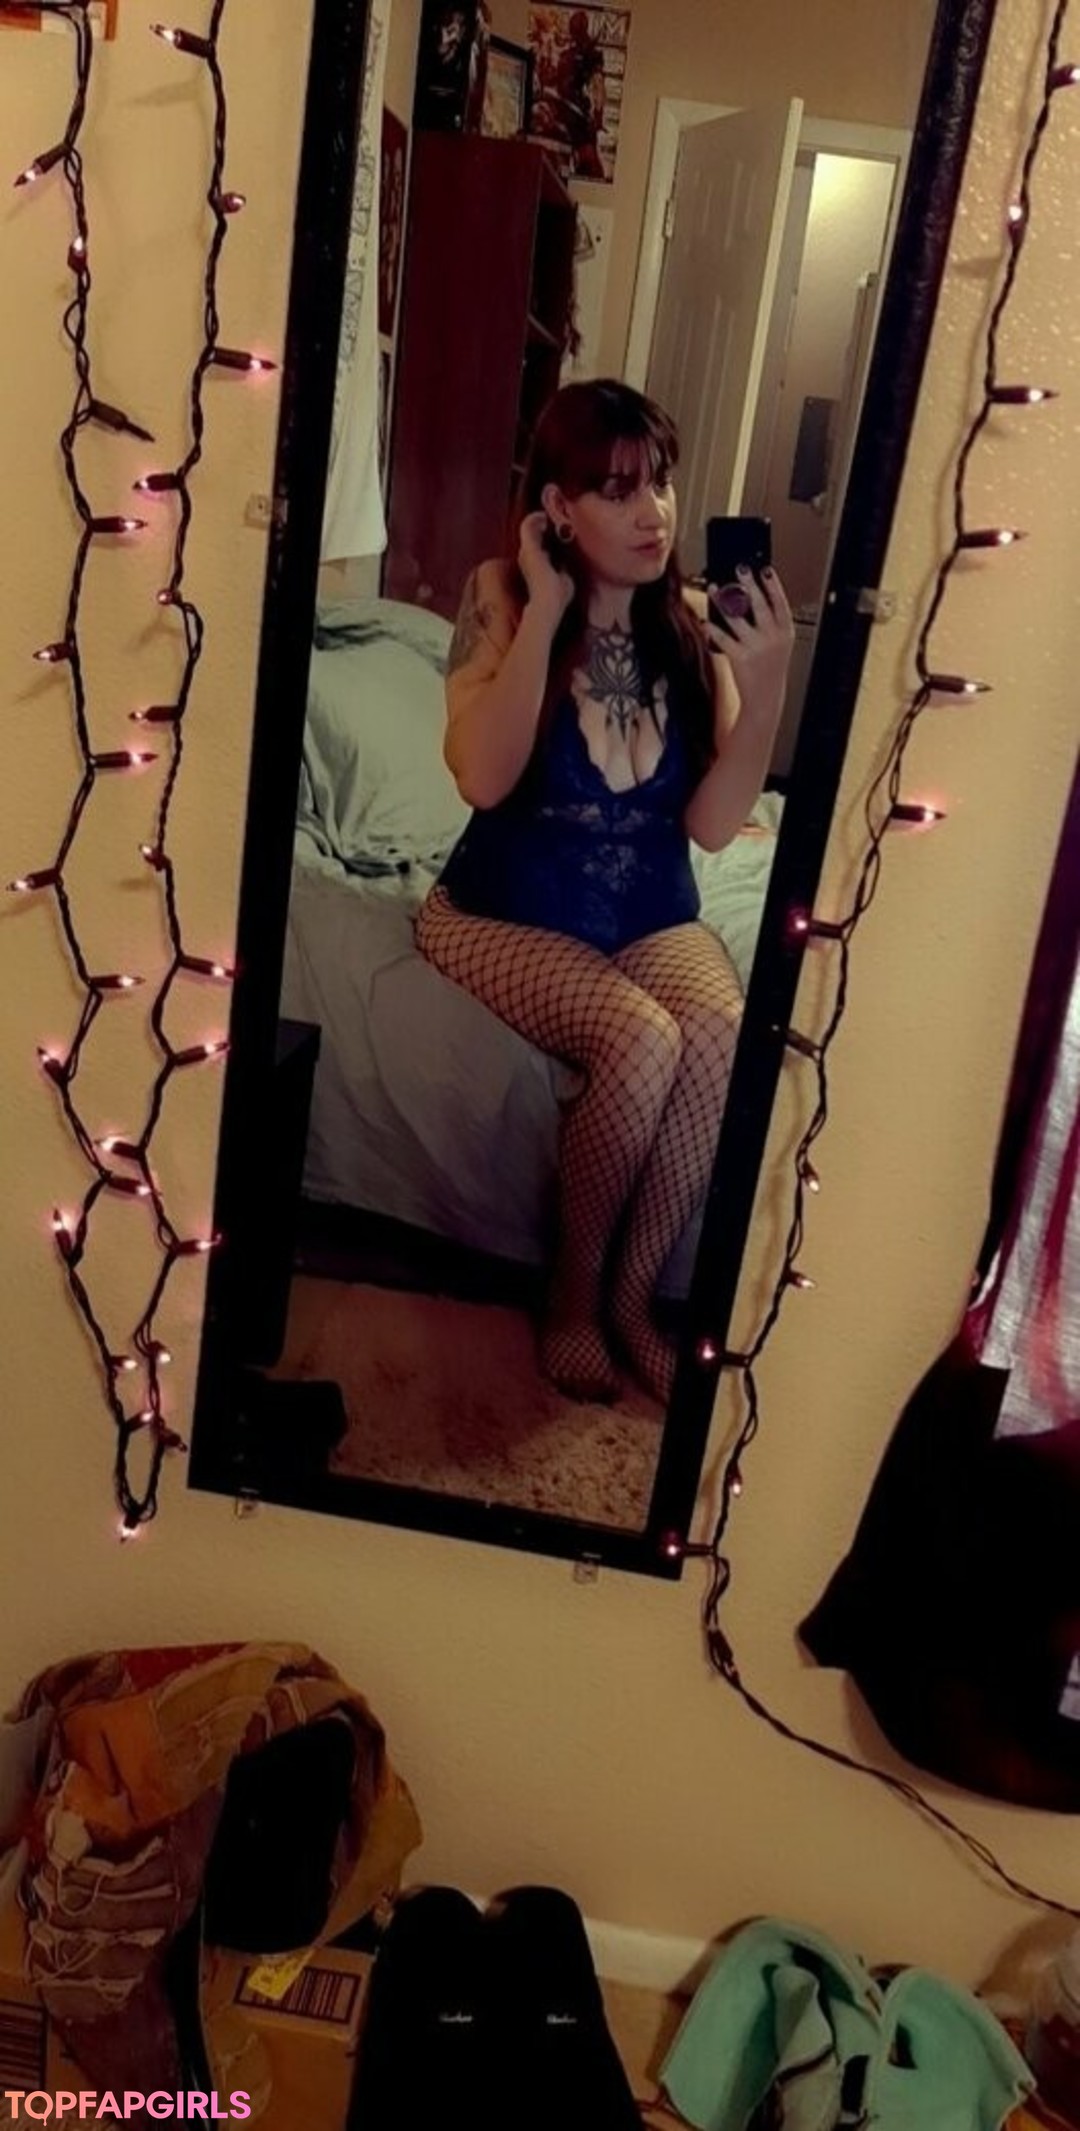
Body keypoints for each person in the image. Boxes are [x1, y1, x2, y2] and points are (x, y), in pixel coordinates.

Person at [415, 379, 794, 1406]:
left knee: (718, 1032)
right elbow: (481, 778)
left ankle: (633, 1304)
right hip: (496, 911)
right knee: (641, 1037)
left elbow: (712, 825)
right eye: (618, 490)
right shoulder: (501, 595)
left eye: (659, 483)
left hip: (647, 913)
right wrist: (546, 614)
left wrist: (765, 695)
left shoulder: (695, 628)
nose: (653, 512)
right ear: (557, 507)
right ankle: (573, 1300)